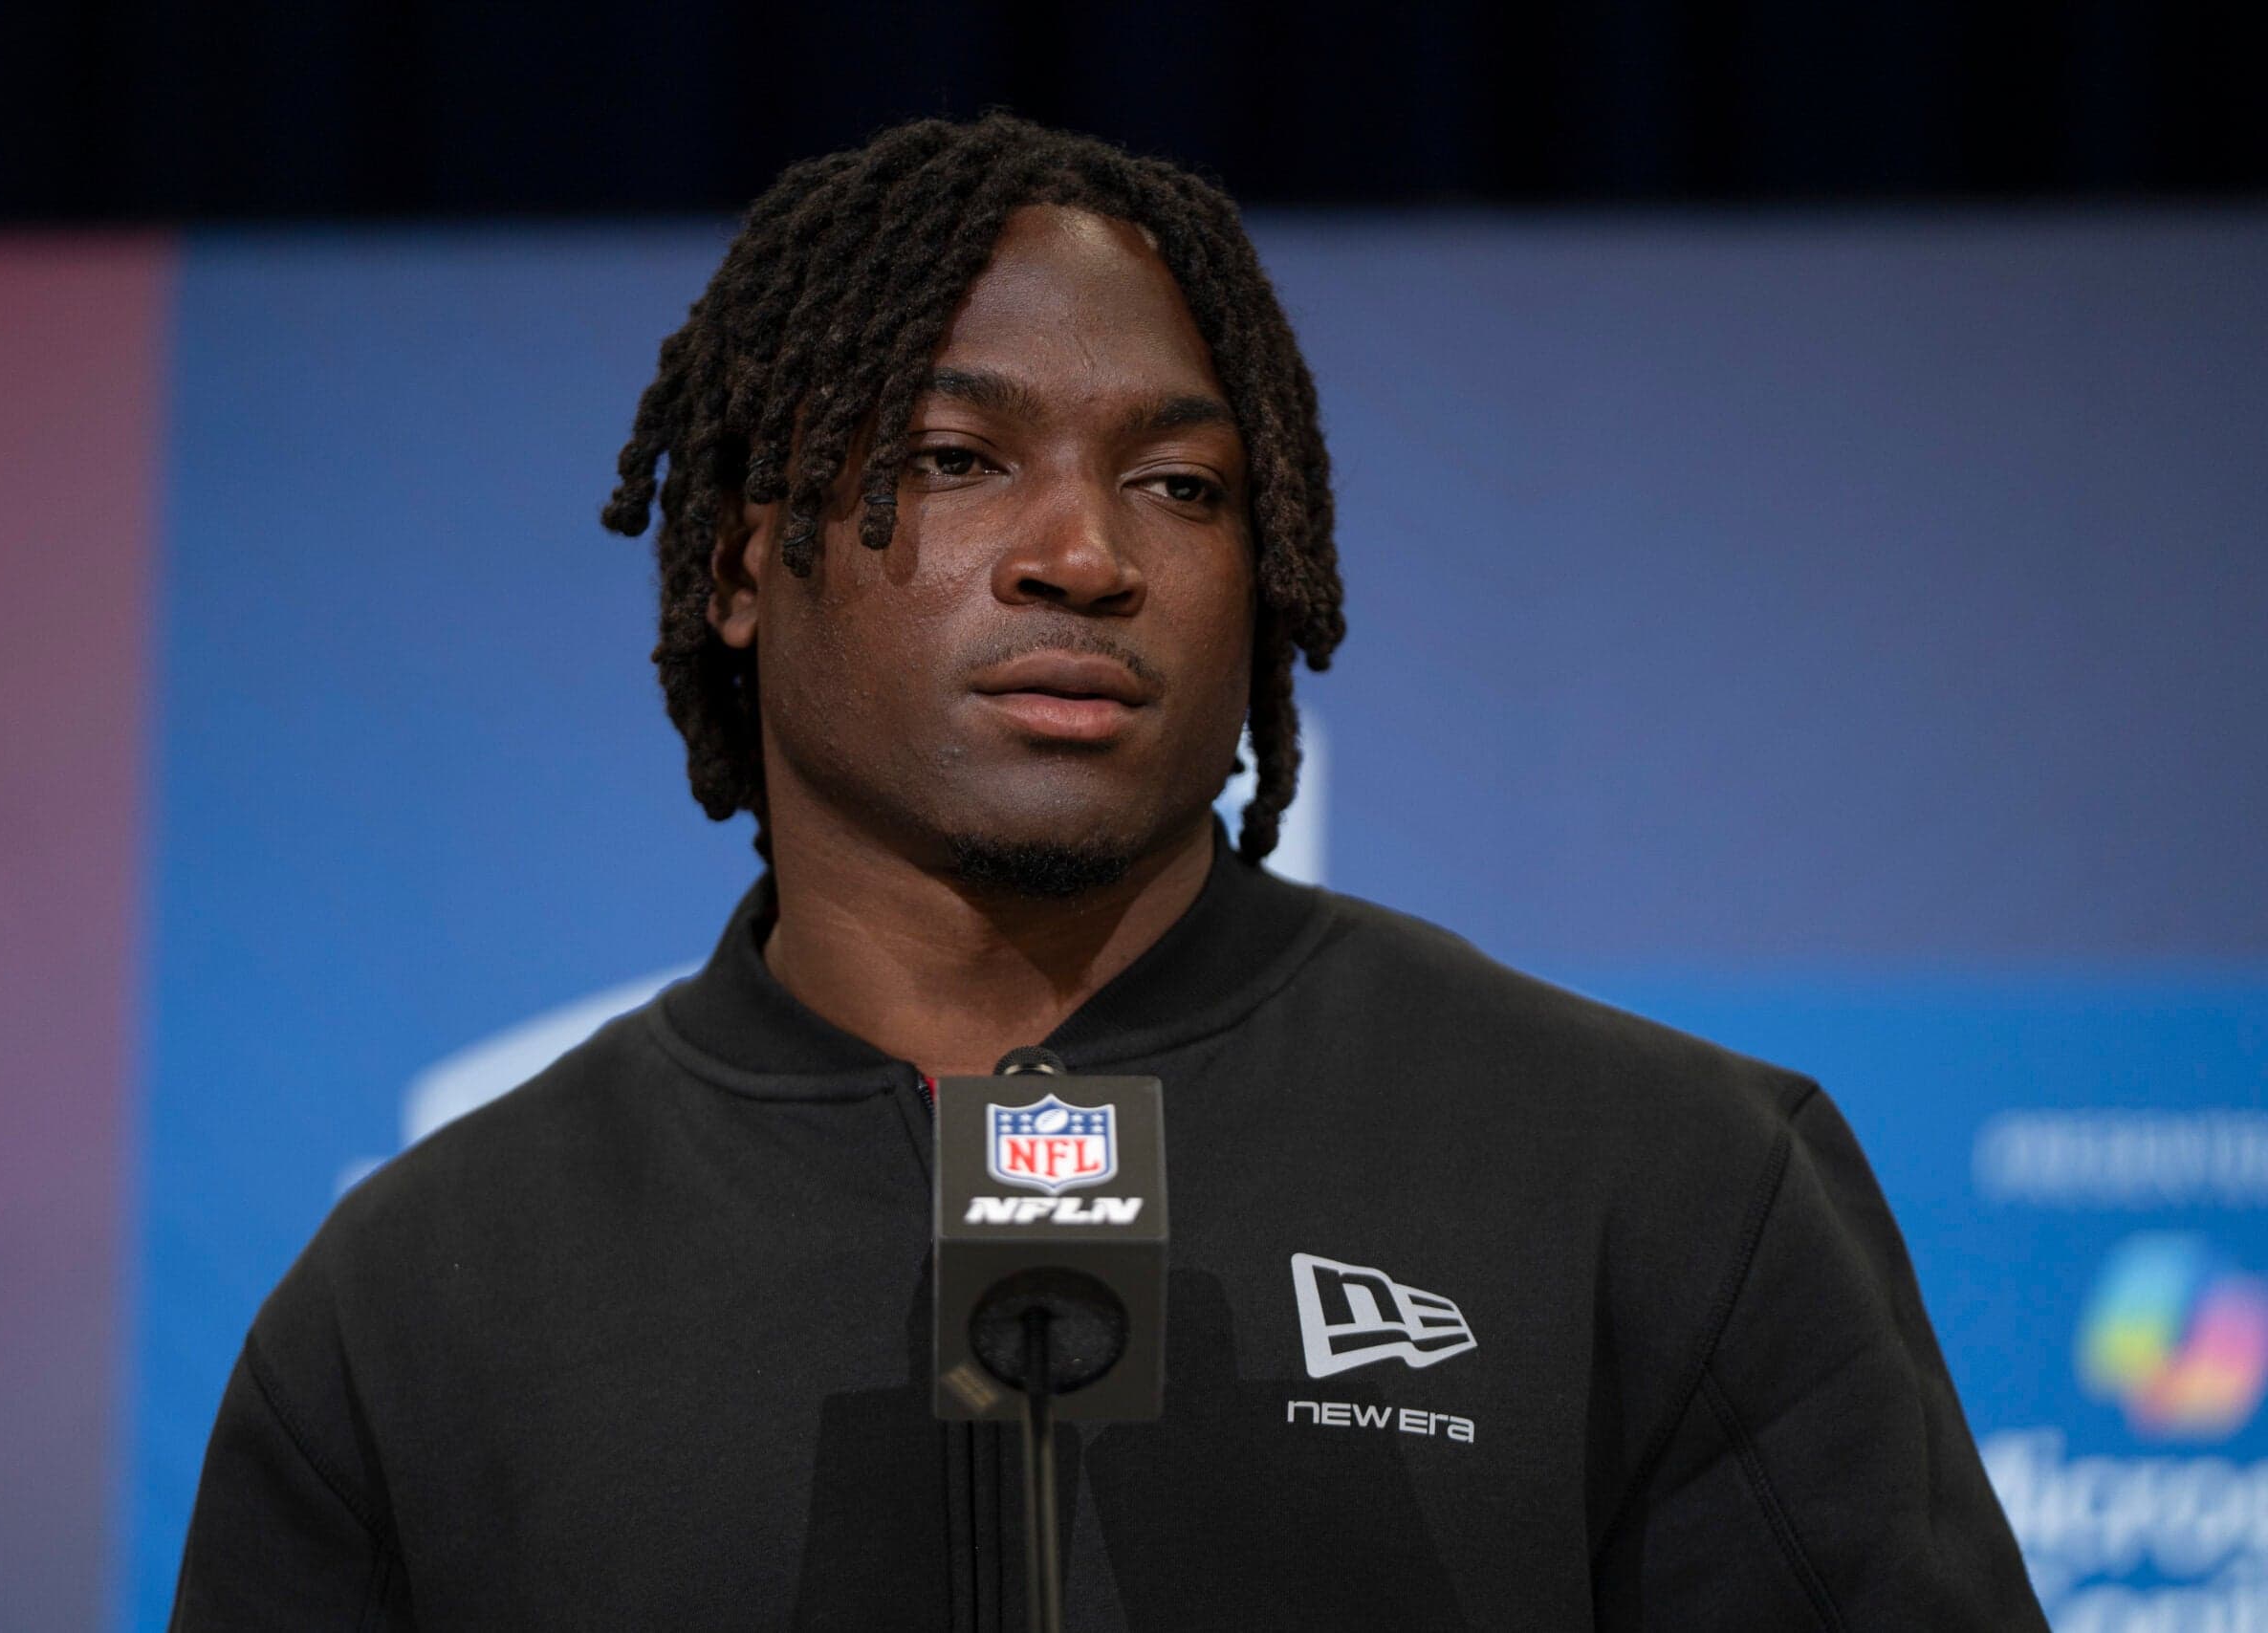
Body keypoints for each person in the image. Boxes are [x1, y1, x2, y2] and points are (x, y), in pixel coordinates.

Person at [170, 115, 2047, 1630]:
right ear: (740, 564)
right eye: (954, 455)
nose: (1082, 553)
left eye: (1180, 486)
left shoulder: (1661, 1181)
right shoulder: (423, 1297)